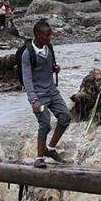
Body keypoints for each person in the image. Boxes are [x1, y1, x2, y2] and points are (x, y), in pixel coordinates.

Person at [21, 20, 70, 168]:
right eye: (47, 35)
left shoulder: (49, 48)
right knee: (45, 124)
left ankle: (51, 149)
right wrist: (33, 100)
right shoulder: (27, 54)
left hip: (52, 92)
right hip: (39, 95)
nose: (50, 37)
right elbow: (27, 79)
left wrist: (55, 68)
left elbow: (47, 67)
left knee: (65, 117)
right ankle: (39, 158)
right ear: (38, 35)